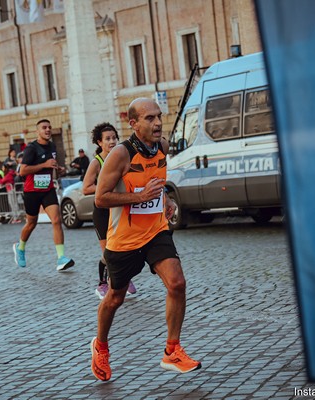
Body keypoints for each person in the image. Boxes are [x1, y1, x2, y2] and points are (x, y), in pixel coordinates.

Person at [90, 98, 201, 381]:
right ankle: (100, 346)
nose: (158, 123)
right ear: (133, 123)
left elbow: (157, 183)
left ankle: (172, 350)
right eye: (150, 118)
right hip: (124, 239)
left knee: (177, 283)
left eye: (159, 116)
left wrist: (165, 202)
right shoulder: (120, 154)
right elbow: (100, 197)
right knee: (115, 298)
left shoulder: (161, 147)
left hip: (155, 231)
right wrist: (140, 197)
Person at [82, 123, 137, 300]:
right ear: (100, 142)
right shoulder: (96, 162)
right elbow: (86, 187)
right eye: (108, 139)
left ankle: (122, 279)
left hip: (120, 210)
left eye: (114, 137)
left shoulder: (122, 157)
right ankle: (102, 284)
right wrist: (105, 187)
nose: (112, 141)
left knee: (126, 248)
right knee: (108, 252)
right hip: (103, 211)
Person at [12, 118, 74, 271]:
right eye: (44, 127)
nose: (47, 130)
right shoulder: (31, 148)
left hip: (47, 189)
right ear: (37, 131)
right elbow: (23, 170)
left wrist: (58, 169)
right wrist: (44, 165)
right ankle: (20, 248)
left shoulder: (52, 146)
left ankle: (61, 258)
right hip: (31, 191)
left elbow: (51, 166)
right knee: (31, 223)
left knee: (56, 220)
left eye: (49, 127)